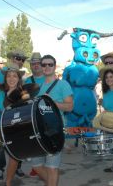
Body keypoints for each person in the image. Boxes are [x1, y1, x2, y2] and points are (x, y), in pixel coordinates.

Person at [31, 54, 73, 186]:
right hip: (39, 130)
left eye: (50, 64)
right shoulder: (38, 86)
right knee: (36, 166)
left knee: (52, 167)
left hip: (55, 130)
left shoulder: (63, 85)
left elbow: (70, 106)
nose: (47, 67)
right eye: (44, 65)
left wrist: (53, 103)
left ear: (55, 66)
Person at [0, 50, 27, 179]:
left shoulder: (23, 75)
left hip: (15, 113)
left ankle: (17, 167)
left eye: (22, 59)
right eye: (18, 58)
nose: (20, 61)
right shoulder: (1, 72)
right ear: (12, 58)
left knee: (18, 142)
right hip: (1, 114)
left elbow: (22, 91)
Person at [24, 52, 44, 178]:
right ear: (30, 66)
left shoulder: (49, 77)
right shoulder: (27, 80)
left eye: (38, 63)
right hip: (32, 114)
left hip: (46, 113)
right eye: (33, 64)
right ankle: (36, 167)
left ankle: (43, 167)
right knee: (34, 140)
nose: (36, 66)